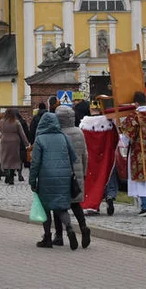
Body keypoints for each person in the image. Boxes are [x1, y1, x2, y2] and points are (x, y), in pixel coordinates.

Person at [30, 111, 79, 250]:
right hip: (63, 176)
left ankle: (47, 238)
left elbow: (35, 162)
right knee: (61, 207)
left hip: (46, 177)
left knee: (46, 207)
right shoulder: (64, 137)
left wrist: (32, 180)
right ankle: (69, 228)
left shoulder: (40, 139)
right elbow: (73, 157)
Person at [53, 104, 91, 248]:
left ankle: (59, 235)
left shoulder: (57, 133)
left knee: (57, 206)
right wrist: (84, 172)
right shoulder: (79, 132)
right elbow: (85, 154)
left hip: (61, 174)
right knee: (75, 204)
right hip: (77, 174)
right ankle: (83, 227)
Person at [0, 109, 29, 184]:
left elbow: (1, 131)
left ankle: (7, 175)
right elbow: (22, 134)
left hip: (4, 140)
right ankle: (11, 177)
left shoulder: (2, 122)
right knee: (13, 159)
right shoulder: (16, 122)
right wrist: (26, 144)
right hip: (14, 141)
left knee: (5, 157)